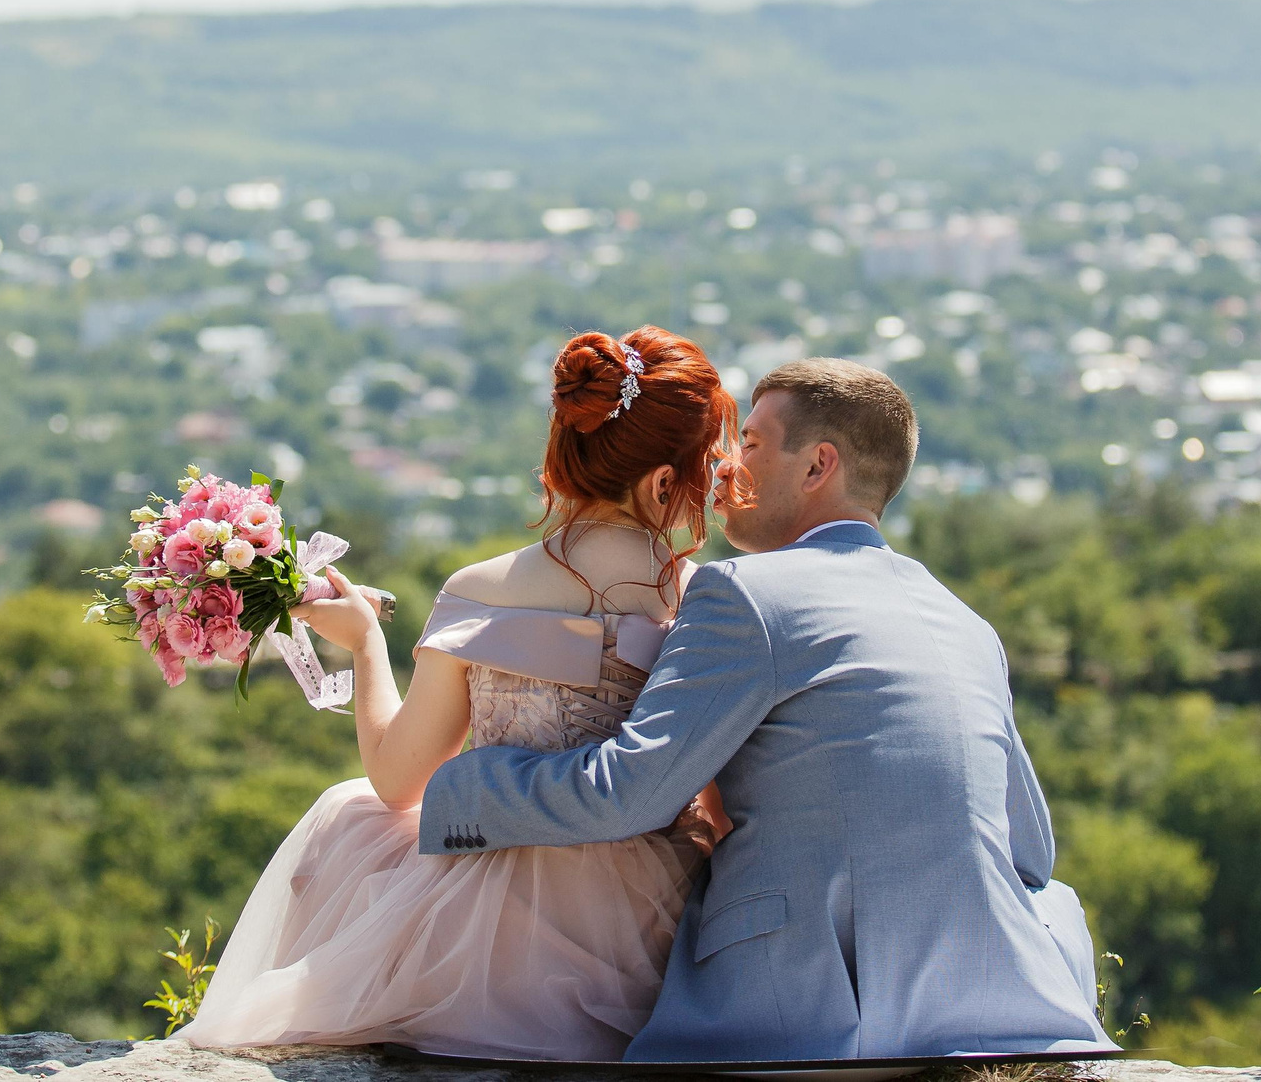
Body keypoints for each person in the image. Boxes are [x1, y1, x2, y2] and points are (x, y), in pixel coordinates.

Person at [414, 356, 1114, 1062]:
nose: (723, 469)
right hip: (997, 999)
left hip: (811, 1011)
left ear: (817, 466)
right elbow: (1031, 851)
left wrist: (465, 786)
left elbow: (627, 794)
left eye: (748, 443)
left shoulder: (745, 593)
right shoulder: (965, 622)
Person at [174, 326, 741, 1061]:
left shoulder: (480, 589)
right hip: (641, 922)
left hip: (476, 912)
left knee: (350, 814)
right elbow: (724, 797)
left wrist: (366, 643)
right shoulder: (705, 602)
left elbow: (397, 779)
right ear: (667, 480)